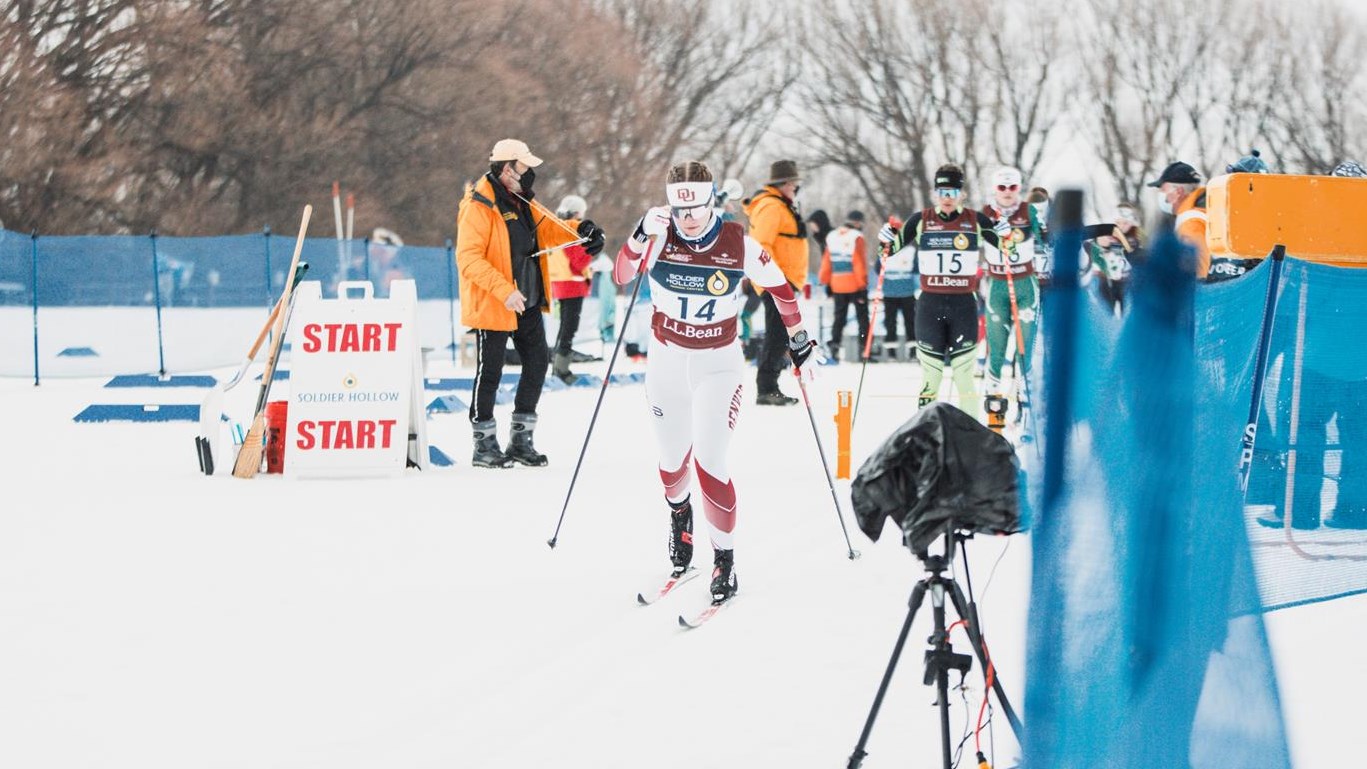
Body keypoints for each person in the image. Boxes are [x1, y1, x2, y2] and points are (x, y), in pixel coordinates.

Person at [614, 160, 817, 604]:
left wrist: (799, 337)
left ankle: (724, 559)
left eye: (696, 209)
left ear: (712, 202)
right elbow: (622, 275)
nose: (687, 219)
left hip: (718, 366)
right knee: (672, 465)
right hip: (666, 363)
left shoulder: (737, 242)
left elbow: (781, 288)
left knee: (709, 461)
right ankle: (680, 518)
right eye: (679, 210)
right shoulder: (659, 234)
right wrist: (638, 234)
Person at [456, 138, 605, 468]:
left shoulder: (522, 200)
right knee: (490, 372)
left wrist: (582, 230)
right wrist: (503, 290)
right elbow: (468, 259)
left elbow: (551, 228)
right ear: (507, 169)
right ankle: (483, 444)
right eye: (523, 168)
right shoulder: (479, 204)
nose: (527, 174)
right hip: (496, 302)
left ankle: (521, 441)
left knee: (537, 363)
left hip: (528, 299)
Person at [878, 163, 1010, 415]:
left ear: (962, 194)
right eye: (942, 192)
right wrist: (884, 239)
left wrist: (1007, 235)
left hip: (963, 306)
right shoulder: (921, 220)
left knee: (964, 376)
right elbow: (888, 252)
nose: (947, 198)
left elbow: (1007, 251)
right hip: (930, 305)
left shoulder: (975, 220)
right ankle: (925, 431)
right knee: (931, 377)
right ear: (935, 193)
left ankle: (970, 432)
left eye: (952, 192)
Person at [979, 166, 1043, 430]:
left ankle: (1024, 410)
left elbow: (1046, 238)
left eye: (1012, 187)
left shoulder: (1029, 211)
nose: (1007, 192)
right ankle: (995, 415)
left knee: (1024, 351)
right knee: (996, 350)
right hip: (997, 286)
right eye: (1002, 188)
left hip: (1025, 284)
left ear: (1019, 189)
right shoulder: (985, 213)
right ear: (995, 189)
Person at [742, 160, 810, 405]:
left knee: (780, 334)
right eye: (793, 185)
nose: (795, 189)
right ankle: (767, 388)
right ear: (784, 184)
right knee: (777, 334)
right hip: (776, 282)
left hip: (785, 281)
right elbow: (761, 245)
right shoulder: (771, 206)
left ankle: (769, 385)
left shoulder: (780, 205)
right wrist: (774, 278)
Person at [548, 194, 606, 383]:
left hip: (560, 284)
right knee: (569, 329)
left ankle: (558, 367)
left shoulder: (557, 226)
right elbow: (578, 260)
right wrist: (593, 252)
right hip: (572, 285)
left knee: (564, 327)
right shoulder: (572, 230)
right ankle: (561, 370)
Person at [818, 210, 871, 361]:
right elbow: (859, 263)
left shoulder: (832, 236)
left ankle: (834, 347)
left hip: (837, 284)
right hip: (855, 284)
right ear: (858, 223)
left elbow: (826, 262)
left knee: (839, 318)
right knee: (862, 318)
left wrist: (826, 282)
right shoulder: (857, 237)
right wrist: (862, 285)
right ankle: (864, 350)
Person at [1085, 202, 1146, 317]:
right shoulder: (1105, 235)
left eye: (1125, 223)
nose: (1121, 226)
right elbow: (1089, 247)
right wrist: (1099, 243)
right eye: (1118, 222)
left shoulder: (1135, 238)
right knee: (1103, 307)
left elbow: (1141, 257)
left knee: (1130, 308)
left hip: (1126, 281)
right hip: (1103, 279)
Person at [875, 214, 917, 361]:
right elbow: (877, 269)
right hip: (890, 292)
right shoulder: (884, 250)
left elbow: (917, 268)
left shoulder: (910, 250)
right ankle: (891, 351)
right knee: (890, 322)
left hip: (906, 291)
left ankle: (912, 350)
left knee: (909, 321)